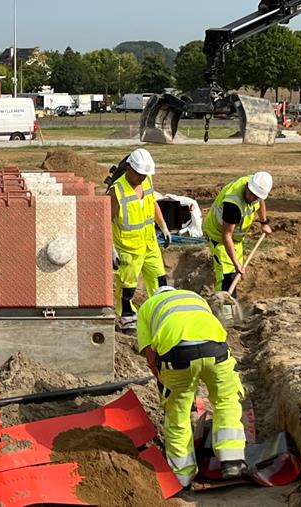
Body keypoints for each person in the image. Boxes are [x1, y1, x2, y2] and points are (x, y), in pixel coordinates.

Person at [136, 286, 246, 488]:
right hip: (216, 350)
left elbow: (151, 358)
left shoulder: (146, 307)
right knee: (227, 399)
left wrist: (164, 384)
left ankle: (182, 477)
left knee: (177, 414)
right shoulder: (194, 297)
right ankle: (232, 459)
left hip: (177, 356)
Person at [109, 148, 172, 336]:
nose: (143, 178)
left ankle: (159, 312)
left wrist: (163, 226)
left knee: (160, 279)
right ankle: (128, 319)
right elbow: (106, 221)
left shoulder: (147, 181)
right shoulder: (117, 191)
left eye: (145, 175)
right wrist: (111, 249)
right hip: (128, 249)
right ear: (129, 169)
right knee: (127, 287)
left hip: (149, 244)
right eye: (139, 175)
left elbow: (152, 203)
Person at [202, 172, 273, 296]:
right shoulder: (233, 204)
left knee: (235, 275)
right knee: (226, 276)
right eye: (251, 194)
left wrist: (263, 222)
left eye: (256, 196)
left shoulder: (255, 189)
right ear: (247, 186)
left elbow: (260, 203)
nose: (252, 198)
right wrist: (236, 264)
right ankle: (224, 310)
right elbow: (226, 235)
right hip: (219, 236)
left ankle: (231, 301)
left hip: (235, 238)